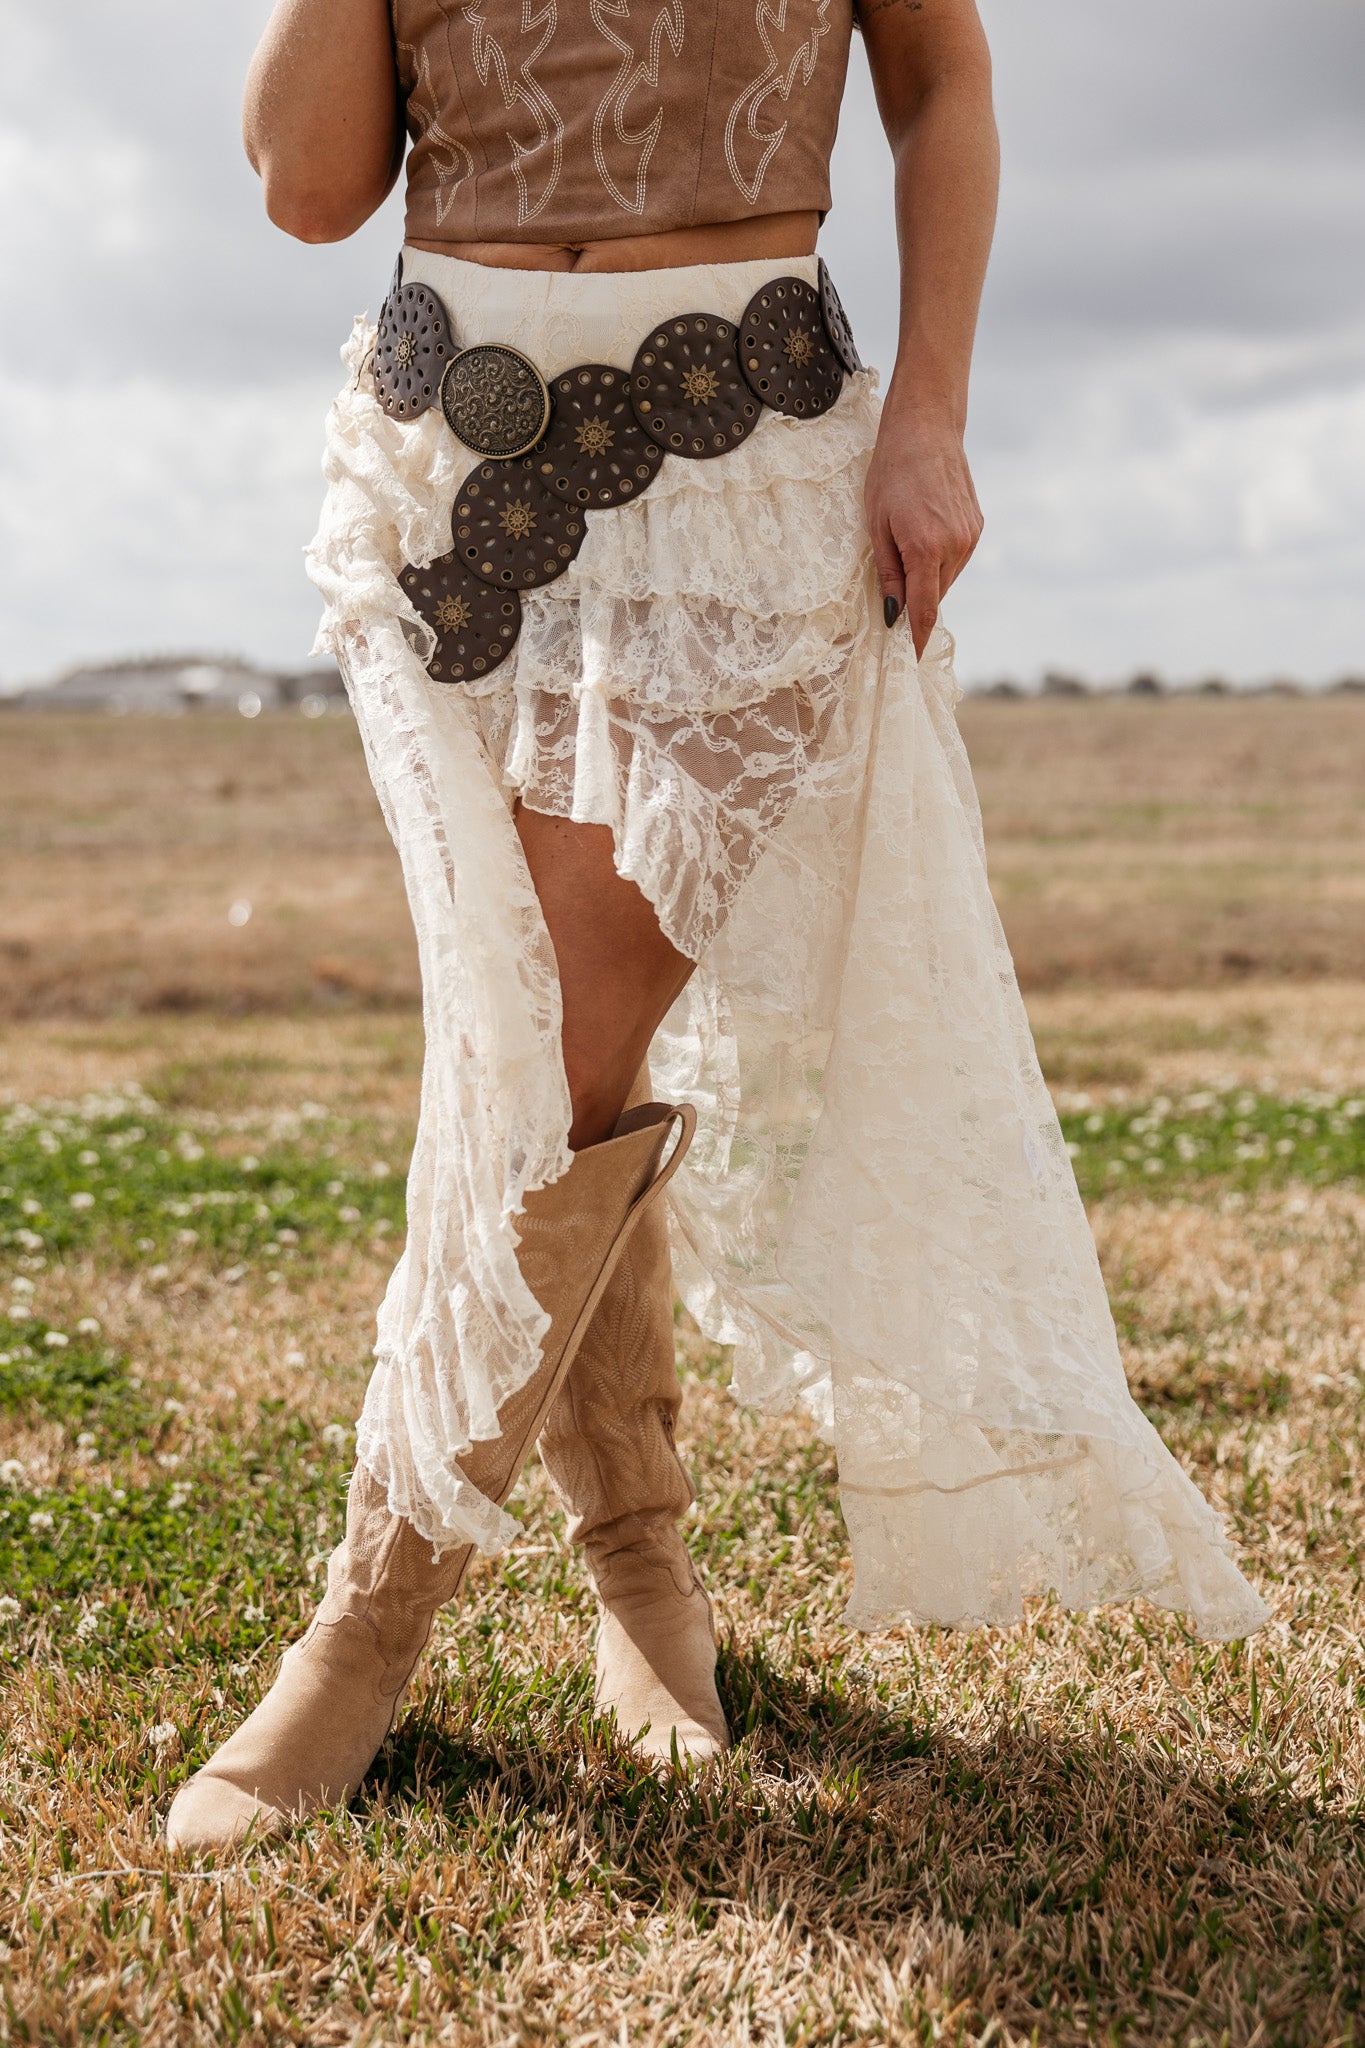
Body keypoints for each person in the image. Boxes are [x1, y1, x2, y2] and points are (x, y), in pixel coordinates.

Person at [166, 0, 1267, 1851]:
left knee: (564, 1043)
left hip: (744, 456)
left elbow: (938, 77)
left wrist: (927, 416)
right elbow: (308, 189)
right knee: (545, 1048)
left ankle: (366, 1633)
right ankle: (644, 1576)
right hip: (447, 463)